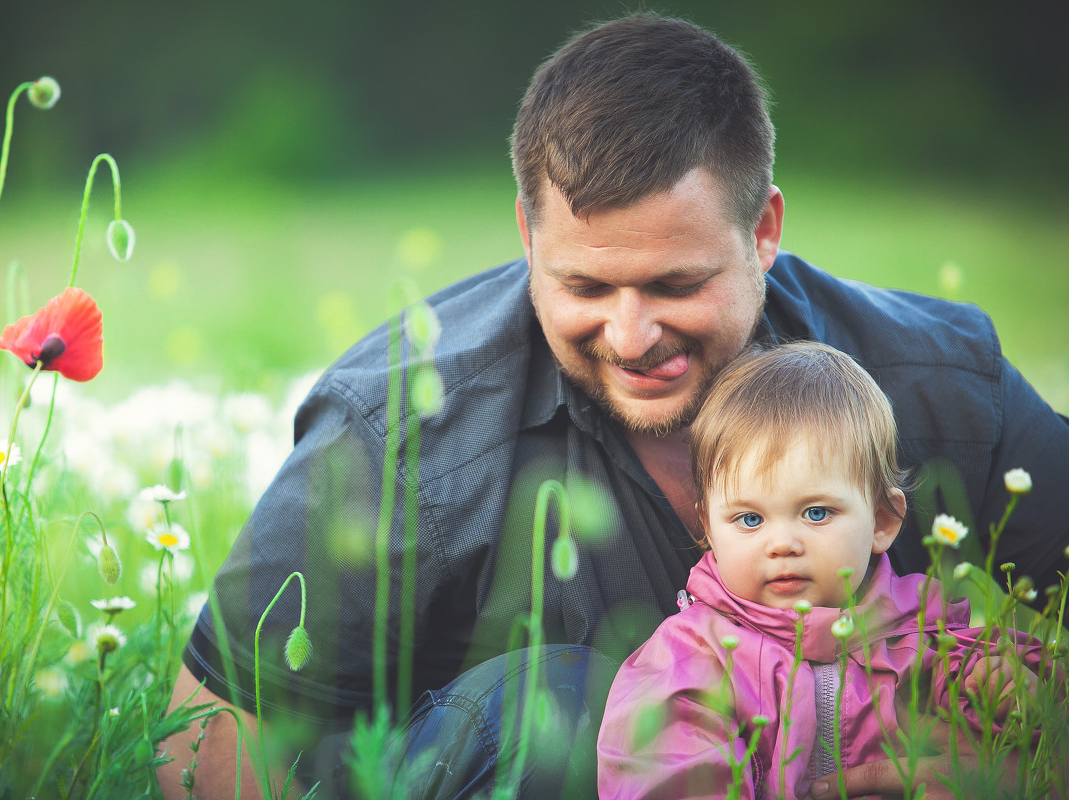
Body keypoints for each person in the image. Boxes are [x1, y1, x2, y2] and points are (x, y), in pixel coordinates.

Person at [157, 12, 1069, 800]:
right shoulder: (403, 430)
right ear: (527, 235)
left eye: (675, 283)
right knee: (561, 708)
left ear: (764, 232)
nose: (631, 336)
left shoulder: (936, 380)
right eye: (586, 285)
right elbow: (208, 740)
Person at [596, 341, 1046, 799]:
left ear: (883, 521)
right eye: (749, 519)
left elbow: (1033, 734)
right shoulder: (694, 662)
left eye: (815, 513)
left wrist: (1007, 692)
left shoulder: (929, 638)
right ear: (709, 529)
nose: (783, 544)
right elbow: (666, 778)